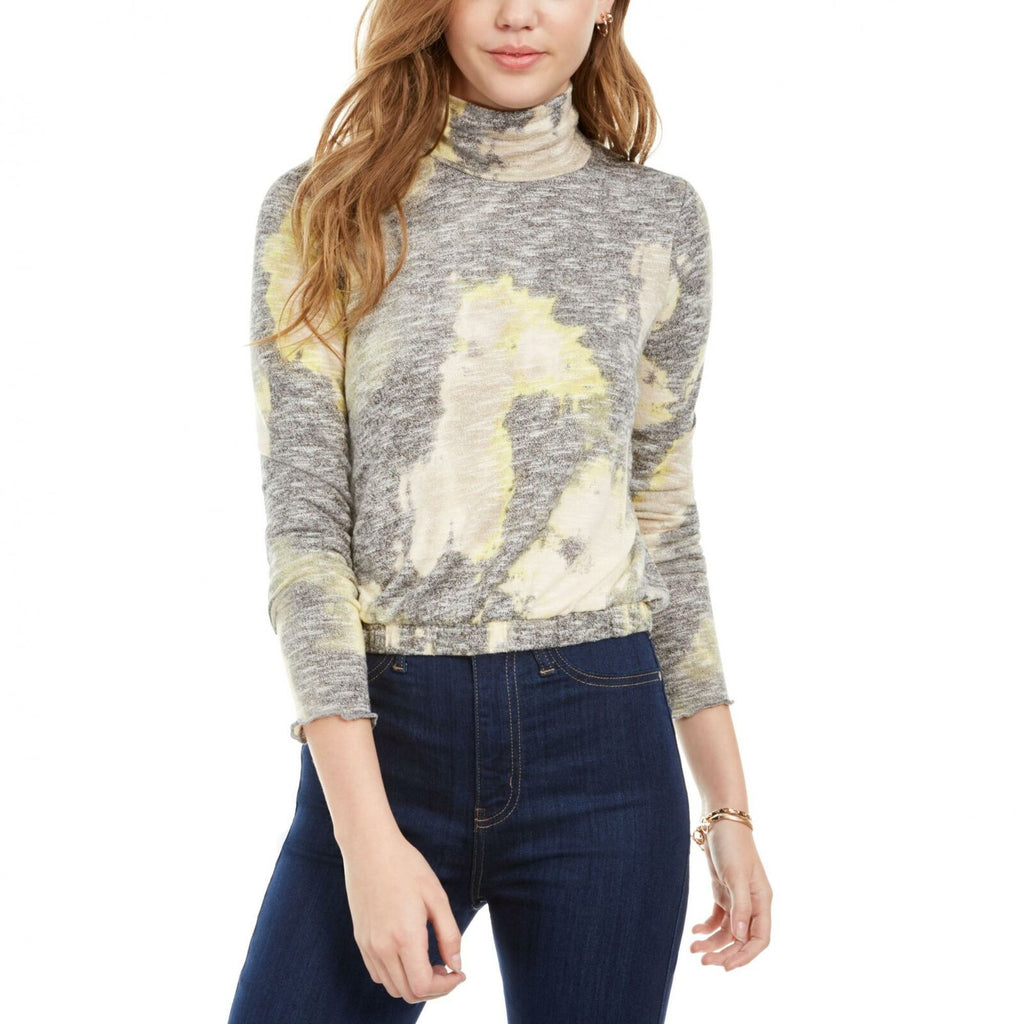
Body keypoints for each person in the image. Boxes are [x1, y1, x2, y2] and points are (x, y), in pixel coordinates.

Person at [228, 1, 773, 1021]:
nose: (518, 13)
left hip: (607, 746)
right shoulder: (323, 209)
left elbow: (663, 515)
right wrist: (366, 839)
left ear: (606, 7)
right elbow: (306, 533)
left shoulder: (657, 218)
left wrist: (728, 809)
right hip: (387, 738)